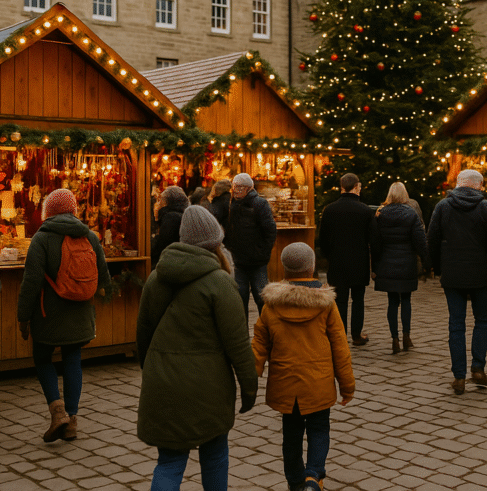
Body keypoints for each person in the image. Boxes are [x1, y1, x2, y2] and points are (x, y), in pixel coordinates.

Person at [137, 206, 258, 491]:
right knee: (214, 455)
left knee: (169, 461)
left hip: (163, 382)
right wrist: (249, 387)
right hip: (208, 388)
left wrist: (152, 370)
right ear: (215, 242)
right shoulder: (220, 283)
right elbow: (238, 344)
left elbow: (143, 335)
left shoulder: (156, 278)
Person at [252, 243, 355, 491]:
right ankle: (313, 475)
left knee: (291, 434)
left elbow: (258, 347)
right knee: (319, 429)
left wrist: (249, 380)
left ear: (284, 269)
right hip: (318, 383)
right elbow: (340, 347)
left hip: (286, 385)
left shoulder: (271, 305)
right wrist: (347, 385)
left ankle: (295, 481)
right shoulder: (326, 304)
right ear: (312, 267)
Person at [18, 188, 111, 443]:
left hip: (48, 313)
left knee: (42, 358)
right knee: (73, 359)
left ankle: (57, 411)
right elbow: (103, 274)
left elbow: (31, 282)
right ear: (73, 210)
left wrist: (23, 317)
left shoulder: (41, 238)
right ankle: (72, 421)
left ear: (48, 211)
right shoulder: (89, 236)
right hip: (80, 311)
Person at [427, 170, 487, 395]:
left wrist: (437, 268)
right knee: (482, 320)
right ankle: (478, 367)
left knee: (456, 324)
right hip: (480, 273)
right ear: (479, 186)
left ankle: (459, 376)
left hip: (452, 273)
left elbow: (431, 239)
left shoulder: (443, 206)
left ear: (458, 184)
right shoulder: (486, 208)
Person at [370, 182, 428, 354]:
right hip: (407, 262)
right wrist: (427, 262)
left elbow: (375, 243)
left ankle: (394, 338)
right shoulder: (411, 213)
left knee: (392, 302)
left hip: (387, 262)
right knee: (406, 300)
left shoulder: (380, 214)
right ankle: (406, 336)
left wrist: (375, 267)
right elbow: (420, 241)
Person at [317, 173, 372, 345]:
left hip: (337, 262)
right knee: (358, 300)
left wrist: (329, 256)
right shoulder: (365, 210)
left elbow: (322, 239)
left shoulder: (329, 210)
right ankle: (356, 335)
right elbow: (373, 238)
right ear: (356, 187)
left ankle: (340, 336)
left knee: (339, 301)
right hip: (359, 262)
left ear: (341, 187)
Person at [224, 173, 277, 317]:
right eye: (234, 187)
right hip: (239, 260)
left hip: (257, 260)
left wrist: (263, 252)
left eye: (239, 187)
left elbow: (270, 230)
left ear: (248, 188)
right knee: (240, 299)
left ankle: (265, 327)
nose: (235, 190)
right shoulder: (232, 204)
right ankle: (243, 330)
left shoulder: (259, 204)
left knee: (262, 298)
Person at [152, 186, 189, 267]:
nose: (157, 204)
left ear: (165, 202)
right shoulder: (184, 216)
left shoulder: (170, 218)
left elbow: (161, 247)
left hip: (169, 265)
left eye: (159, 200)